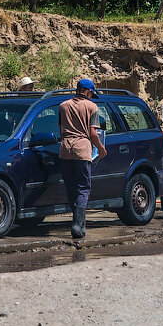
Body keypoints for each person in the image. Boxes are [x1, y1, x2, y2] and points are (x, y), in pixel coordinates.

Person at [58, 78, 107, 239]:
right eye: (92, 93)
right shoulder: (92, 107)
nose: (92, 96)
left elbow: (61, 129)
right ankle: (77, 224)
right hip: (82, 150)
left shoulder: (63, 106)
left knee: (71, 186)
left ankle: (79, 223)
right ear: (87, 91)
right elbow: (93, 133)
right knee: (83, 188)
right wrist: (101, 149)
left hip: (65, 150)